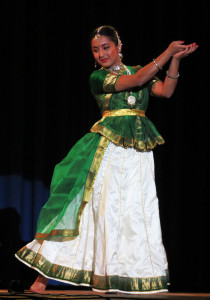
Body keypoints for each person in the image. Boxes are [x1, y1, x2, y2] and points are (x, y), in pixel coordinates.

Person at [15, 25, 198, 294]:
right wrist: (167, 51)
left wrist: (176, 60)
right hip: (109, 149)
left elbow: (166, 91)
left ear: (118, 46)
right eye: (96, 49)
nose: (101, 53)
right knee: (94, 209)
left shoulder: (139, 70)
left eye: (106, 47)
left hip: (138, 151)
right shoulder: (97, 77)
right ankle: (40, 281)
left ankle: (122, 275)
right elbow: (135, 82)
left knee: (135, 211)